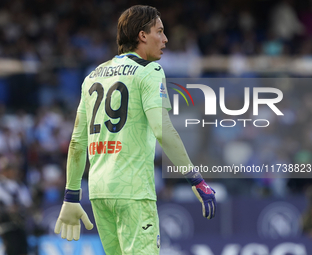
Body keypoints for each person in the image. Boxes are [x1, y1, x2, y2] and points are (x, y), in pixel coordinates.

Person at [54, 5, 216, 254]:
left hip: (99, 193)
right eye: (159, 32)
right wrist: (196, 180)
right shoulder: (149, 71)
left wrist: (72, 194)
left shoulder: (93, 76)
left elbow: (77, 141)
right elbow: (162, 129)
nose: (165, 39)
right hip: (133, 191)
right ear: (142, 35)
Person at [0, 157, 32, 255]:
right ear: (3, 170)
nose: (14, 171)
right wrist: (7, 210)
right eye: (10, 169)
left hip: (19, 225)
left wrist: (20, 209)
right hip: (4, 225)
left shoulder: (19, 185)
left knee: (23, 248)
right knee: (11, 247)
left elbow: (28, 205)